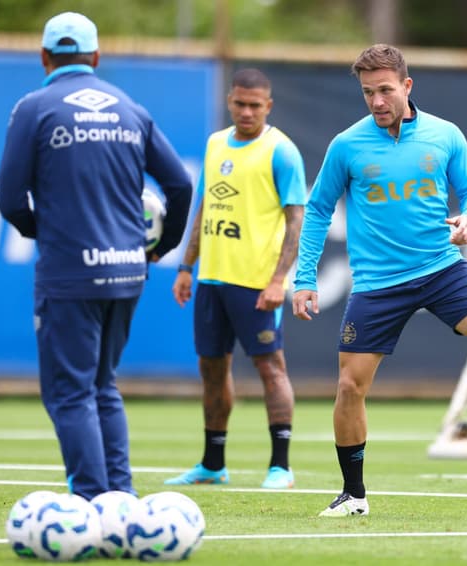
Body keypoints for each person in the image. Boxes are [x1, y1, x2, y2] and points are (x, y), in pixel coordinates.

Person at [292, 44, 467, 517]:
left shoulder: (445, 135)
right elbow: (319, 209)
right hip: (377, 284)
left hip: (441, 269)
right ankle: (354, 495)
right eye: (368, 93)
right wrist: (304, 278)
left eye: (385, 90)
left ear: (407, 86)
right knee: (349, 387)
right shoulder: (347, 145)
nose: (377, 101)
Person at [0, 12, 192, 500]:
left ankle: (89, 503)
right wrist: (158, 248)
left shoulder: (34, 107)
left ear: (44, 57)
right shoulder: (130, 109)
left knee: (70, 392)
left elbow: (9, 199)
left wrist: (45, 233)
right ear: (96, 57)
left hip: (70, 273)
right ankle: (119, 501)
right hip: (127, 271)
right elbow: (181, 185)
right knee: (102, 387)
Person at [164, 68, 306, 490]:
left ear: (269, 106)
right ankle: (212, 463)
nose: (247, 111)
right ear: (230, 101)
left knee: (270, 368)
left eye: (255, 105)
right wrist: (187, 267)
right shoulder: (214, 144)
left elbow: (295, 220)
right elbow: (207, 206)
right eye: (240, 103)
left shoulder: (281, 151)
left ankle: (280, 466)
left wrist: (279, 280)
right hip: (211, 280)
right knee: (211, 368)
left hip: (256, 283)